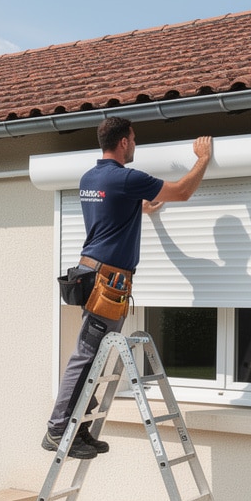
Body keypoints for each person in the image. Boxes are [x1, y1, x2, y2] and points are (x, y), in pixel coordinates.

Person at [43, 117, 213, 458]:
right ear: (123, 142)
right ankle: (58, 430)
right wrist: (203, 159)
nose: (135, 145)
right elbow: (182, 191)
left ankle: (77, 426)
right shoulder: (126, 178)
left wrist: (141, 206)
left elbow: (111, 210)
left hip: (92, 274)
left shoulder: (90, 178)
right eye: (133, 139)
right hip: (107, 282)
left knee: (93, 357)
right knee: (86, 357)